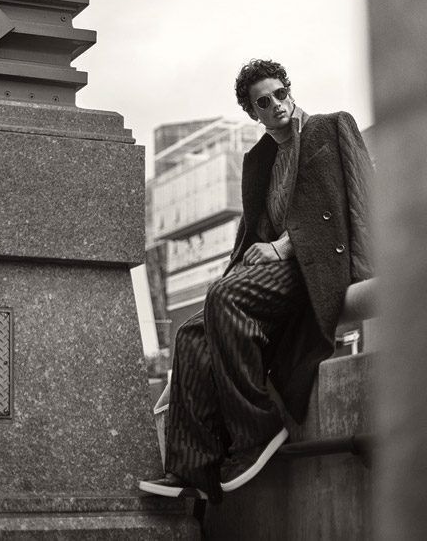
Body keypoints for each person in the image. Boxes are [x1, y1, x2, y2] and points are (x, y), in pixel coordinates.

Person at [139, 59, 373, 503]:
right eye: (263, 102)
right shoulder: (258, 158)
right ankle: (193, 469)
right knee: (191, 332)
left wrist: (290, 249)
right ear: (253, 113)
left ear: (289, 90)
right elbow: (251, 231)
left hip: (317, 264)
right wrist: (242, 266)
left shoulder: (330, 127)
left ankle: (258, 431)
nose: (276, 105)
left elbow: (361, 197)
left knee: (224, 298)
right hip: (271, 271)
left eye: (280, 93)